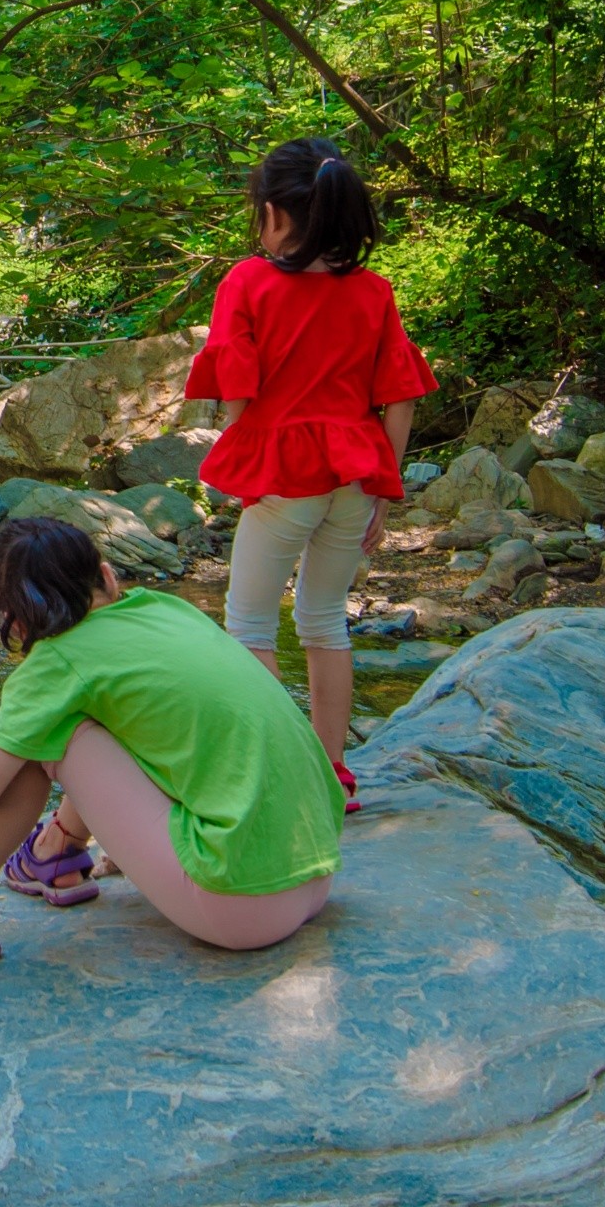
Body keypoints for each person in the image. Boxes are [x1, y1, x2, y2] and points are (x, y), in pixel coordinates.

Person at [0, 516, 344, 972]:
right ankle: (56, 853)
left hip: (241, 906)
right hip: (316, 869)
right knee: (106, 718)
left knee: (46, 737)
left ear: (16, 620)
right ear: (108, 578)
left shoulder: (55, 662)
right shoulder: (163, 608)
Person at [188, 137, 437, 757]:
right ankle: (333, 772)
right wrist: (385, 488)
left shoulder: (247, 282)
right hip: (353, 475)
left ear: (273, 215)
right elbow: (400, 399)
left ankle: (288, 771)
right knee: (325, 621)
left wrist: (237, 450)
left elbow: (238, 393)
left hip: (284, 475)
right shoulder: (373, 292)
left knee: (247, 628)